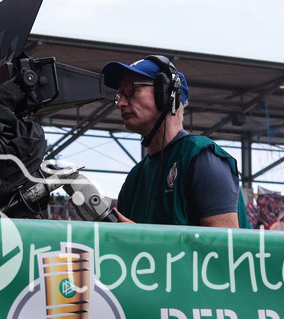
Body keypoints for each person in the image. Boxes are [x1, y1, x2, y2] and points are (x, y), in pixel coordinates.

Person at [100, 55, 250, 228]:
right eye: (119, 96)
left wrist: (134, 233)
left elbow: (225, 247)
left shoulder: (202, 157)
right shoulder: (135, 177)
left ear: (165, 93)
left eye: (131, 90)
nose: (121, 104)